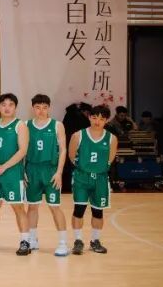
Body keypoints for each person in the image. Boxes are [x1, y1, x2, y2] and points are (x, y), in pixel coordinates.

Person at [0, 93, 32, 255]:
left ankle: (25, 241)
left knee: (18, 207)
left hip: (12, 173)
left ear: (15, 107)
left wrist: (4, 167)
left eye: (10, 104)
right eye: (3, 104)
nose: (7, 108)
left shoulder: (20, 126)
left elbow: (23, 151)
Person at [25, 94, 70, 257]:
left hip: (50, 170)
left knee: (54, 207)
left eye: (44, 107)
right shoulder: (26, 125)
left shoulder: (57, 125)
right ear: (33, 108)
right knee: (32, 206)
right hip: (32, 169)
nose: (41, 110)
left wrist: (59, 172)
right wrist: (23, 171)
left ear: (49, 108)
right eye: (37, 107)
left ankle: (63, 243)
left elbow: (63, 150)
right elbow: (22, 150)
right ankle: (32, 239)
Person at [68, 105, 116, 254]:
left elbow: (110, 160)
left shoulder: (111, 138)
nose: (97, 121)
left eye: (101, 119)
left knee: (98, 212)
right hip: (82, 178)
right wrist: (84, 168)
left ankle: (95, 241)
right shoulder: (78, 135)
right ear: (89, 117)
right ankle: (78, 241)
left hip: (100, 179)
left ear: (106, 120)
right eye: (94, 117)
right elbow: (71, 156)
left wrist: (97, 169)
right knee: (79, 210)